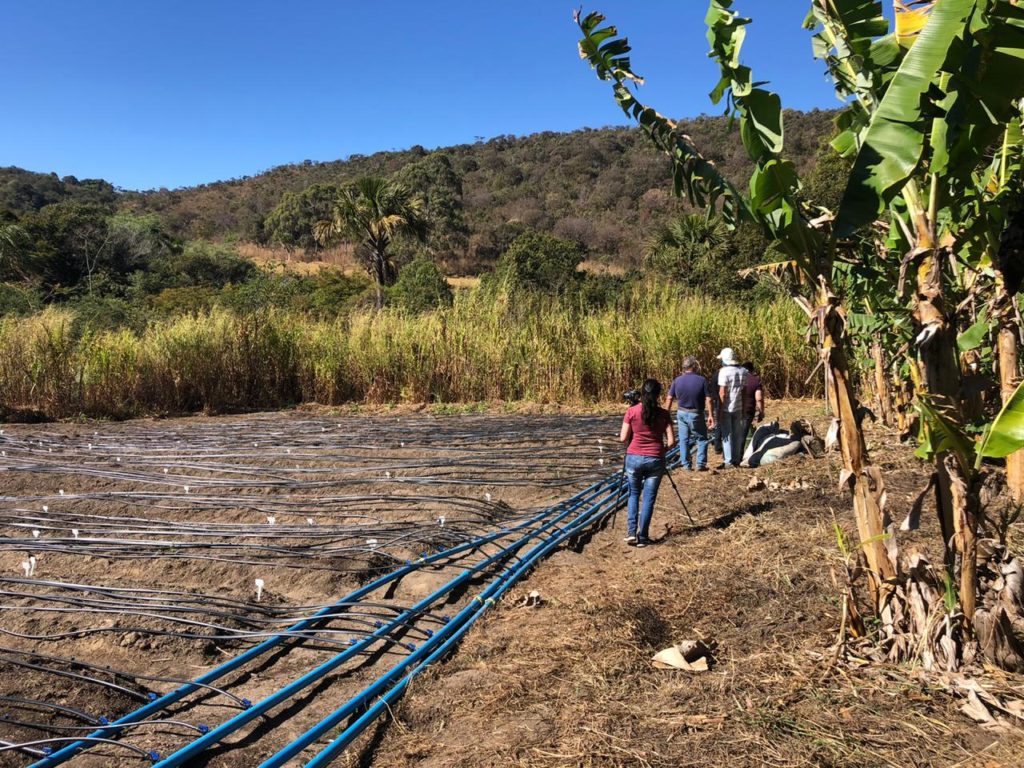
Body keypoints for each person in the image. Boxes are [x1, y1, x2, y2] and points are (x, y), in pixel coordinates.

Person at [619, 379, 675, 548]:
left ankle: (631, 532)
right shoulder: (664, 414)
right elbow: (671, 441)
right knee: (649, 499)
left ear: (642, 393)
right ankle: (643, 536)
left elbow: (623, 438)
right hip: (655, 459)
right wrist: (661, 451)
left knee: (633, 494)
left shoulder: (632, 411)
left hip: (634, 458)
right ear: (658, 395)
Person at [664, 355, 714, 471]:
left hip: (681, 412)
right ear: (694, 366)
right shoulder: (702, 380)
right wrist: (711, 415)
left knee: (683, 439)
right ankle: (700, 464)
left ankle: (686, 465)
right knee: (701, 438)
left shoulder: (677, 380)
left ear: (684, 367)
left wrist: (666, 413)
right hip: (696, 413)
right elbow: (709, 399)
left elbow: (669, 398)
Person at [716, 347, 748, 468]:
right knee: (737, 434)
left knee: (727, 434)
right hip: (738, 406)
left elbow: (722, 393)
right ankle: (736, 458)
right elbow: (744, 392)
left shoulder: (723, 372)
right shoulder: (743, 371)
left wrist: (720, 411)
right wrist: (744, 408)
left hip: (727, 408)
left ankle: (728, 461)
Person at [741, 361, 765, 443]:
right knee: (742, 435)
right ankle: (740, 451)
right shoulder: (755, 381)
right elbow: (759, 398)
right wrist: (761, 412)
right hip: (748, 410)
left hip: (734, 409)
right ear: (752, 370)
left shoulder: (736, 379)